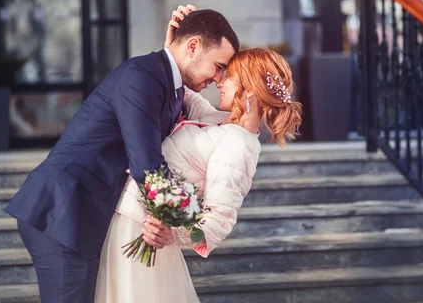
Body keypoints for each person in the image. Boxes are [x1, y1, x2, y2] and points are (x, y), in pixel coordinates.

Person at [4, 6, 239, 302]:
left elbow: (215, 120)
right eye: (218, 66)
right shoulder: (141, 76)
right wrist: (190, 220)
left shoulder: (169, 83)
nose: (219, 77)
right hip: (63, 209)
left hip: (85, 214)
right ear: (193, 46)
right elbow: (147, 166)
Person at [94, 17, 302, 302]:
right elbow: (185, 88)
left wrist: (172, 232)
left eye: (229, 75)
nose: (220, 80)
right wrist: (174, 48)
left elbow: (218, 220)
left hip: (145, 230)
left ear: (250, 91)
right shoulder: (218, 120)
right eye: (221, 71)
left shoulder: (240, 146)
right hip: (127, 217)